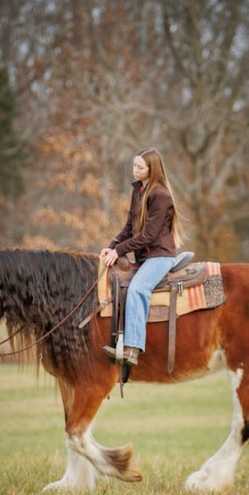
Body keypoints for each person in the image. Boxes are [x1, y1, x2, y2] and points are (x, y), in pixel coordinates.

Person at [100, 148, 185, 366]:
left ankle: (133, 349)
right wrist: (111, 247)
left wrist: (120, 251)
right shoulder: (139, 190)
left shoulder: (161, 195)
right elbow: (129, 227)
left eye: (140, 167)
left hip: (160, 256)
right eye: (134, 165)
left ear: (151, 169)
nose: (135, 170)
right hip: (146, 257)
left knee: (138, 289)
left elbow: (148, 235)